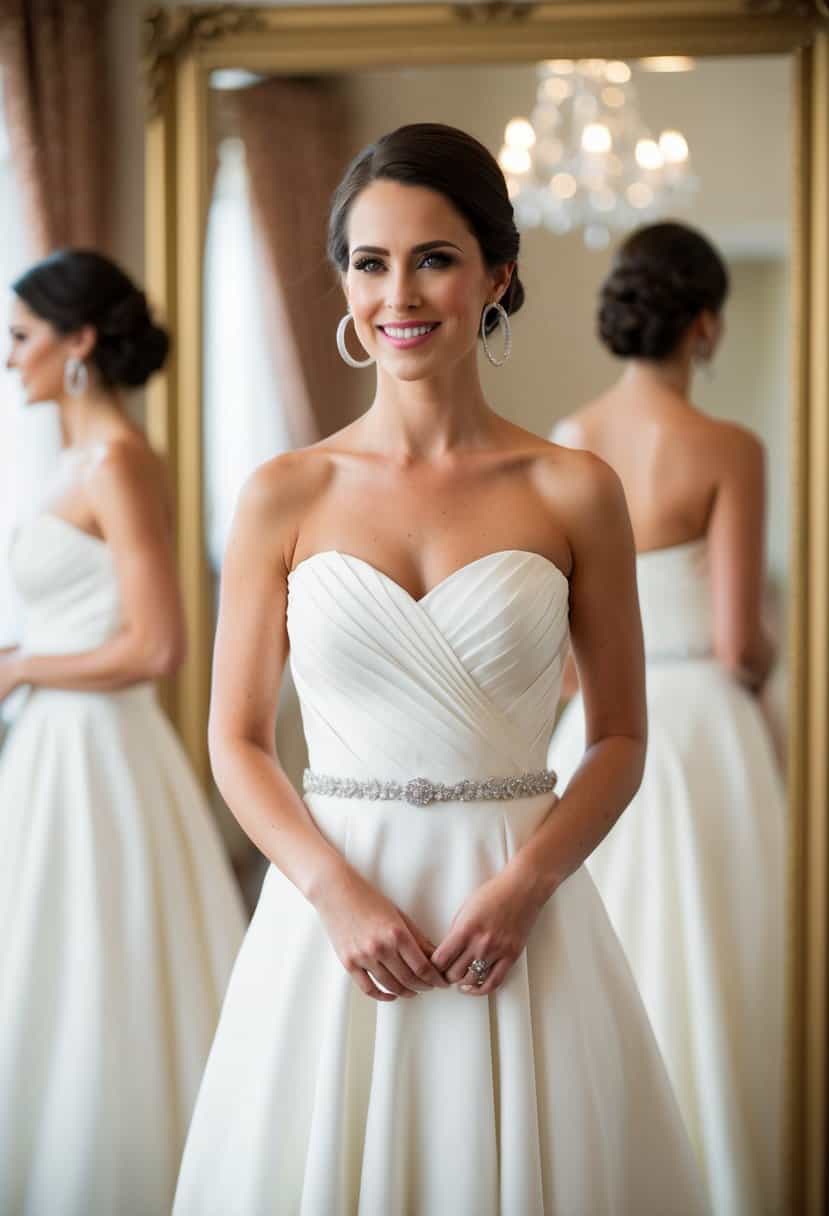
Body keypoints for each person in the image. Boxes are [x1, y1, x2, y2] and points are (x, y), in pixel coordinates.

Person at [174, 125, 707, 1215]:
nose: (397, 293)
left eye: (434, 257)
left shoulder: (572, 489)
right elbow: (234, 737)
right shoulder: (285, 491)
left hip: (515, 906)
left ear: (496, 274)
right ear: (344, 282)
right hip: (334, 912)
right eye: (369, 262)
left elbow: (618, 738)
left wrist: (523, 887)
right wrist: (331, 892)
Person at [0, 250, 246, 1216]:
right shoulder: (71, 460)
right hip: (50, 749)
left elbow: (156, 644)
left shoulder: (120, 462)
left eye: (21, 336)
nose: (7, 355)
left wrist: (19, 668)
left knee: (103, 974)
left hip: (100, 751)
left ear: (79, 343)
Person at [549, 222, 785, 1216]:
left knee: (607, 953)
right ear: (706, 325)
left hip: (597, 724)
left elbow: (562, 645)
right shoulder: (728, 447)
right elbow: (740, 642)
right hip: (699, 726)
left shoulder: (570, 438)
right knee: (721, 961)